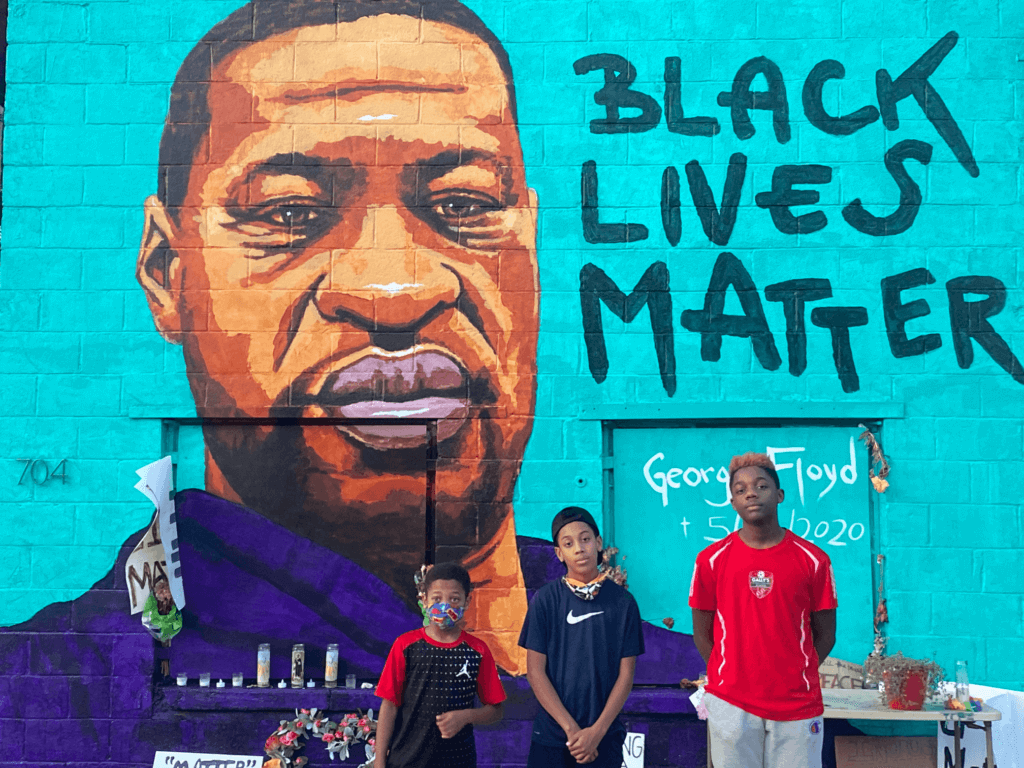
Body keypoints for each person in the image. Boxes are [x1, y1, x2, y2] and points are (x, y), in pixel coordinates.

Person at [133, 0, 538, 674]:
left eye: (463, 205)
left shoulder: (653, 672)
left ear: (531, 242)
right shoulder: (77, 691)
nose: (397, 288)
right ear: (164, 274)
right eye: (289, 212)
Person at [689, 452, 838, 768]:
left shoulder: (814, 560)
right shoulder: (710, 560)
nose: (751, 493)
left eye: (761, 486)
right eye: (740, 490)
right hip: (731, 702)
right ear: (732, 502)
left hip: (797, 705)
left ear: (780, 495)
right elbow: (702, 634)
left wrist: (793, 673)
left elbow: (825, 636)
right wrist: (730, 676)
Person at [518, 507, 644, 768]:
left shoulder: (623, 603)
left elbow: (626, 675)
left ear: (598, 544)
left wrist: (595, 733)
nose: (579, 548)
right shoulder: (545, 600)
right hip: (553, 737)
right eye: (568, 543)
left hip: (604, 738)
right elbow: (535, 672)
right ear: (559, 553)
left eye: (585, 539)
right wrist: (573, 731)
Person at [375, 563, 506, 768]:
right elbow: (389, 706)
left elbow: (496, 710)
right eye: (437, 599)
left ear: (467, 601)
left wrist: (466, 716)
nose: (445, 606)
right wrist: (379, 762)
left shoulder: (478, 651)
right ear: (425, 600)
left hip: (458, 761)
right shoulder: (405, 645)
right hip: (405, 761)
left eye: (454, 599)